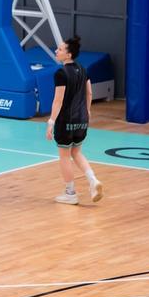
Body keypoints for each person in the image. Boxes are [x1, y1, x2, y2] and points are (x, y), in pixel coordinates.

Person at [46, 35, 103, 205]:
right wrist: (87, 111)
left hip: (66, 121)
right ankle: (93, 180)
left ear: (68, 55)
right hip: (82, 119)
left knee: (64, 156)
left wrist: (51, 121)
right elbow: (89, 93)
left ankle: (70, 193)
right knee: (76, 152)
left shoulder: (61, 73)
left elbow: (58, 100)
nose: (56, 51)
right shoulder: (83, 69)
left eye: (60, 49)